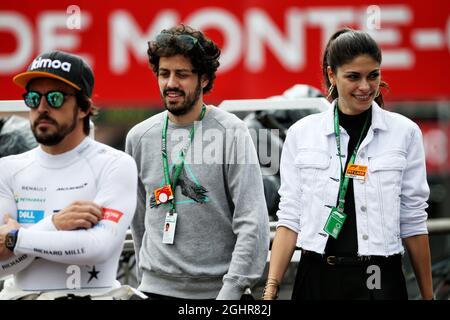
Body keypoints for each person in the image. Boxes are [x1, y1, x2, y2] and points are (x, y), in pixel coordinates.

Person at [263, 28, 433, 300]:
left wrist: (429, 296)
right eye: (353, 77)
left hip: (378, 274)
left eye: (373, 75)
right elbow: (290, 217)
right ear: (332, 75)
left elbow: (413, 221)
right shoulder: (302, 133)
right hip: (317, 275)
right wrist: (270, 291)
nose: (365, 87)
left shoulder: (405, 133)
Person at [125, 24, 270, 300]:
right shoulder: (139, 137)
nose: (171, 83)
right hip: (154, 289)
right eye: (164, 73)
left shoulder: (232, 132)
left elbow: (252, 221)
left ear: (203, 79)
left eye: (182, 74)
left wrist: (232, 290)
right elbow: (140, 221)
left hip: (221, 293)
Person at [0, 50, 143, 300]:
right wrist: (53, 224)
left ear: (83, 108)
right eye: (33, 98)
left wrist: (16, 238)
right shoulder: (8, 168)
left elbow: (97, 247)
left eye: (54, 98)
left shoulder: (116, 164)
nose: (42, 108)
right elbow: (2, 267)